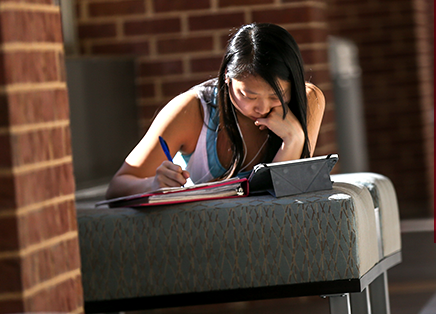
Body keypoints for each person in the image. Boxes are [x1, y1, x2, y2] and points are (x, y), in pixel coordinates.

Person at [105, 23, 325, 199]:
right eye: (249, 96)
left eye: (277, 96)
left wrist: (294, 139)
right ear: (227, 78)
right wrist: (152, 184)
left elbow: (286, 197)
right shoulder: (191, 110)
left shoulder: (307, 100)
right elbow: (118, 185)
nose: (263, 108)